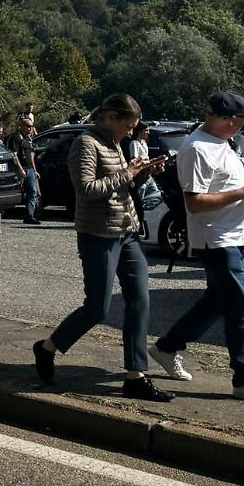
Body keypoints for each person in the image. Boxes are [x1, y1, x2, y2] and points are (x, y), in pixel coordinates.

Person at [149, 92, 244, 405]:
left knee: (215, 303)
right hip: (217, 239)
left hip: (234, 236)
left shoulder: (220, 142)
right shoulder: (197, 149)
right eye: (241, 119)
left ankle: (167, 348)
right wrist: (243, 191)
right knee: (242, 307)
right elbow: (195, 203)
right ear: (227, 119)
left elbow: (225, 189)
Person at [34, 94, 172, 401]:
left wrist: (142, 174)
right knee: (98, 308)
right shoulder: (86, 143)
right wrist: (128, 173)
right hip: (98, 234)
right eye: (128, 126)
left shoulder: (113, 143)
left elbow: (120, 186)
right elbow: (86, 190)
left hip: (127, 231)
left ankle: (135, 376)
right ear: (110, 117)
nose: (130, 133)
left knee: (139, 300)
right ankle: (47, 348)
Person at [6, 119, 40, 224]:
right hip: (21, 170)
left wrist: (35, 171)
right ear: (21, 126)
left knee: (33, 192)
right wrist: (20, 170)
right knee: (14, 192)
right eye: (28, 126)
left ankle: (30, 216)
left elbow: (31, 156)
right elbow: (14, 155)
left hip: (30, 170)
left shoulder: (28, 139)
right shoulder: (17, 137)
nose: (30, 128)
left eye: (31, 126)